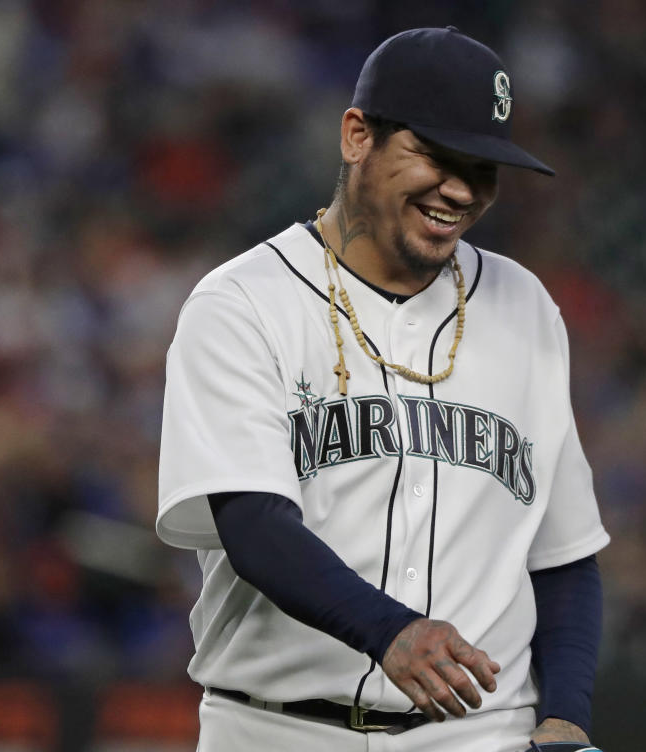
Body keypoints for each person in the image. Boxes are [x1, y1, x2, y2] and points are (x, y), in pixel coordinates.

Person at [157, 26, 609, 752]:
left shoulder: (526, 309)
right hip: (275, 728)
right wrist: (389, 631)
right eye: (436, 156)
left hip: (475, 735)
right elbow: (255, 526)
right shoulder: (243, 302)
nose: (460, 190)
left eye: (484, 168)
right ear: (357, 135)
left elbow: (563, 556)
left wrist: (566, 718)